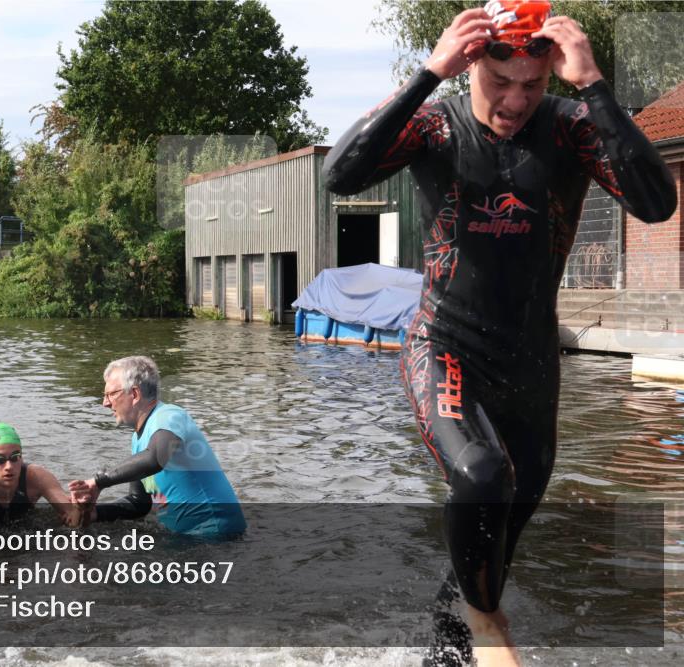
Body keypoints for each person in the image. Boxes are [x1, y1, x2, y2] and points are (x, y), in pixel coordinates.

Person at [321, 1, 676, 664]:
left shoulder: (571, 128)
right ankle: (490, 632)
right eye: (499, 82)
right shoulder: (435, 123)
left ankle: (443, 651)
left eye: (532, 86)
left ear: (551, 75)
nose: (515, 100)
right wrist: (430, 72)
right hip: (444, 343)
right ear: (473, 63)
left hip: (531, 367)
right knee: (482, 475)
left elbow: (656, 203)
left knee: (489, 551)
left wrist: (594, 85)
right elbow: (340, 176)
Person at [69, 356, 246, 539]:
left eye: (111, 394)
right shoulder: (138, 441)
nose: (105, 403)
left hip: (215, 535)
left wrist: (99, 481)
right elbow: (138, 503)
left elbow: (155, 458)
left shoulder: (169, 416)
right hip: (183, 538)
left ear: (135, 394)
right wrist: (94, 513)